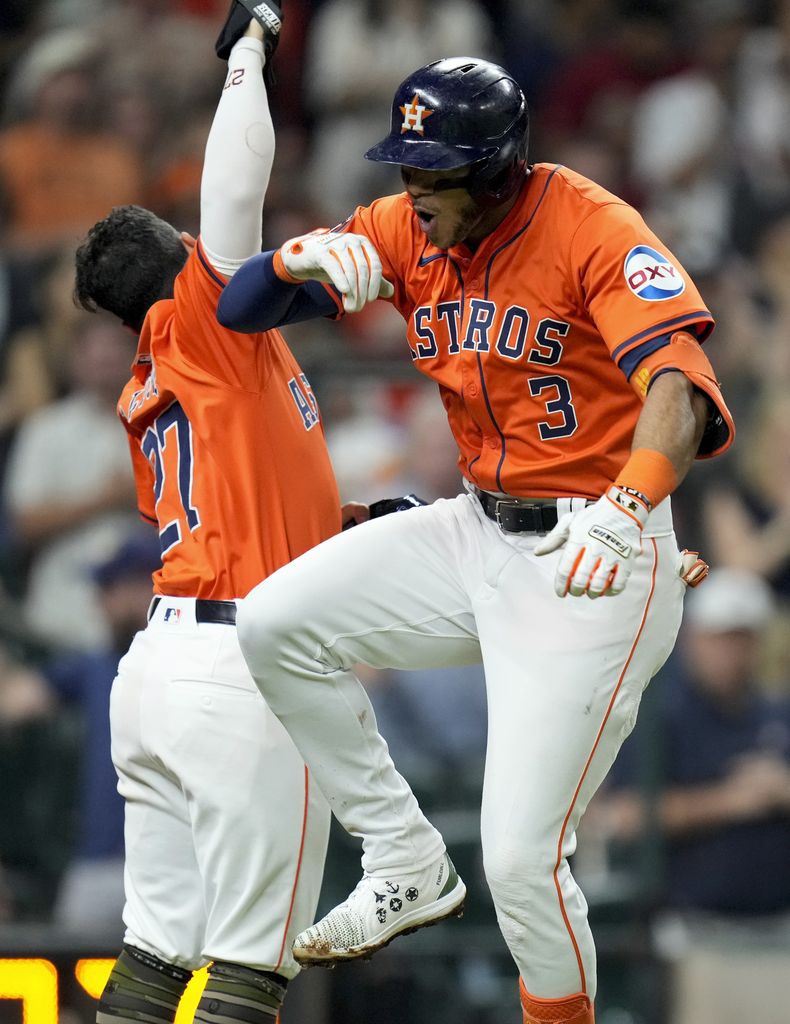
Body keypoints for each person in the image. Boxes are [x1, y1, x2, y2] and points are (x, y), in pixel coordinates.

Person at [218, 55, 734, 1024]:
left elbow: (679, 384)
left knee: (518, 861)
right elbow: (238, 310)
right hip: (474, 525)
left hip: (597, 554)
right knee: (275, 622)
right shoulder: (402, 226)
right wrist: (291, 262)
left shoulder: (591, 225)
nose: (413, 194)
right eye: (406, 171)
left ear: (498, 169)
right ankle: (402, 857)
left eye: (435, 175)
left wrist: (628, 508)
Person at [72, 4, 359, 1021]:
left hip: (161, 670)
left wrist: (355, 519)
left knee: (155, 957)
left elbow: (247, 504)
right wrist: (251, 46)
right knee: (249, 969)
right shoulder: (204, 323)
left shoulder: (164, 378)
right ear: (181, 260)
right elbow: (236, 181)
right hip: (240, 671)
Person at [598, 568, 790, 1024]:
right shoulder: (664, 716)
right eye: (720, 637)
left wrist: (779, 789)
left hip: (780, 936)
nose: (731, 651)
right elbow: (618, 817)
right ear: (693, 638)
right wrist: (730, 801)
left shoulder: (776, 715)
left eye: (742, 638)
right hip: (699, 940)